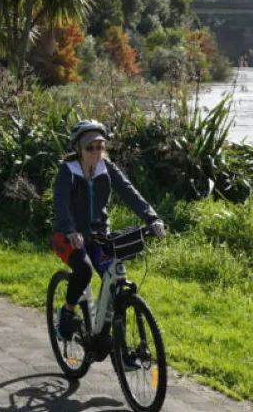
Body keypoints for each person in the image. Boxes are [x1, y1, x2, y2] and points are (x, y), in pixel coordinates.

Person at [51, 120, 166, 342]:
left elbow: (130, 193)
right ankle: (67, 311)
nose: (96, 152)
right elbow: (61, 205)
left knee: (115, 282)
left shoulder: (107, 168)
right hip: (67, 236)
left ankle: (117, 345)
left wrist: (152, 218)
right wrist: (70, 230)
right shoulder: (68, 171)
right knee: (83, 270)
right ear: (79, 149)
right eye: (90, 147)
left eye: (100, 147)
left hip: (98, 235)